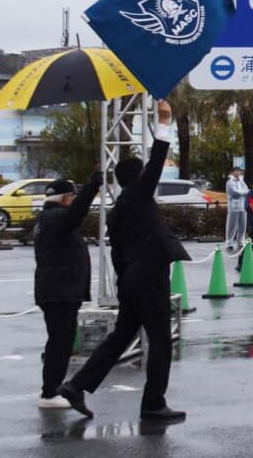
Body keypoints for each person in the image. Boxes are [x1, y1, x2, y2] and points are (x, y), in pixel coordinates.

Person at [59, 100, 190, 421]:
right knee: (160, 340)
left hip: (130, 281)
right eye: (145, 172)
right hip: (148, 280)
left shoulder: (118, 211)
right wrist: (164, 121)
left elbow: (118, 254)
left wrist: (126, 283)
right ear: (140, 176)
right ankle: (153, 403)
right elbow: (158, 159)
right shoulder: (139, 195)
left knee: (120, 337)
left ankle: (77, 386)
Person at [34, 172, 102, 409]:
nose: (74, 201)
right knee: (60, 343)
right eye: (72, 197)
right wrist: (92, 187)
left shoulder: (49, 218)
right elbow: (76, 214)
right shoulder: (57, 218)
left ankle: (51, 390)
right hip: (60, 290)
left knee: (59, 341)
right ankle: (50, 392)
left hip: (57, 289)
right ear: (65, 199)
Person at [224, 167, 247, 252]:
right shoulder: (230, 182)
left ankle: (241, 242)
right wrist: (243, 193)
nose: (238, 173)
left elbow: (247, 190)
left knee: (242, 226)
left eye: (239, 171)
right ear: (232, 172)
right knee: (232, 226)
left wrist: (243, 192)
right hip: (233, 207)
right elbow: (234, 193)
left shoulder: (241, 181)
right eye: (236, 171)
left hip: (243, 206)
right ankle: (229, 243)